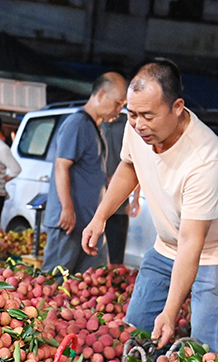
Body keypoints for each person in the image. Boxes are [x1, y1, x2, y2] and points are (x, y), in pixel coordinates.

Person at [81, 59, 218, 351]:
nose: (139, 124)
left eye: (148, 116)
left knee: (204, 340)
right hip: (170, 242)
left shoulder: (204, 158)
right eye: (132, 114)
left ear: (177, 107)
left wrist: (170, 312)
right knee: (137, 325)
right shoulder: (137, 126)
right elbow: (130, 166)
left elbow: (192, 242)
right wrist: (100, 217)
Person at [40, 72, 127, 273]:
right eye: (117, 103)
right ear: (101, 94)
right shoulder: (77, 123)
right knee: (55, 282)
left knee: (90, 281)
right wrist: (67, 208)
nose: (119, 110)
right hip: (70, 223)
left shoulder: (97, 127)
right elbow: (61, 166)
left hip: (89, 223)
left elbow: (88, 170)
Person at [102, 111, 140, 265]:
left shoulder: (130, 124)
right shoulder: (92, 123)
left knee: (115, 258)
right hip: (92, 203)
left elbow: (137, 162)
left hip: (120, 203)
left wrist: (136, 198)